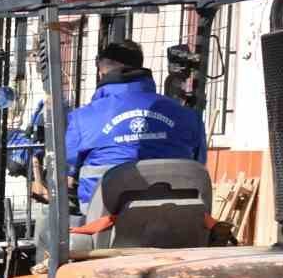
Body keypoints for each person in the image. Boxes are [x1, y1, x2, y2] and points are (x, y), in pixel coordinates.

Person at [65, 38, 206, 209]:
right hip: (175, 215)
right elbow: (198, 165)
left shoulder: (82, 118)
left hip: (105, 220)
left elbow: (66, 175)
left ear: (102, 71)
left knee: (48, 222)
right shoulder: (188, 117)